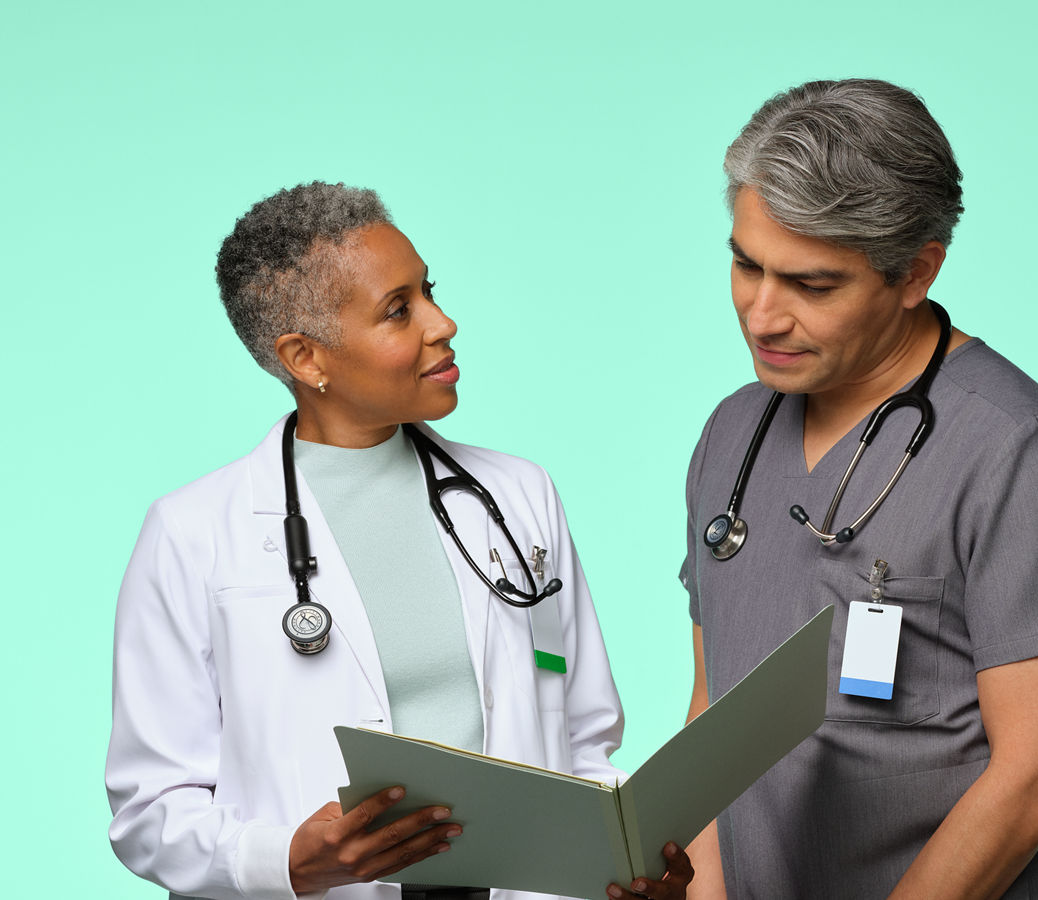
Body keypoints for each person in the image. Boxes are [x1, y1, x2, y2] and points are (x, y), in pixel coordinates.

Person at [106, 182, 693, 900]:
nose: (443, 323)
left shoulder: (518, 496)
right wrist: (287, 860)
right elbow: (150, 810)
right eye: (398, 310)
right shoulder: (193, 534)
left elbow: (583, 744)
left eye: (429, 291)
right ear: (305, 357)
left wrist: (622, 860)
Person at [680, 80, 1038, 899]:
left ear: (915, 272)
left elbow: (1036, 775)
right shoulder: (733, 433)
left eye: (812, 285)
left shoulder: (1016, 448)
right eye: (746, 265)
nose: (762, 314)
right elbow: (713, 724)